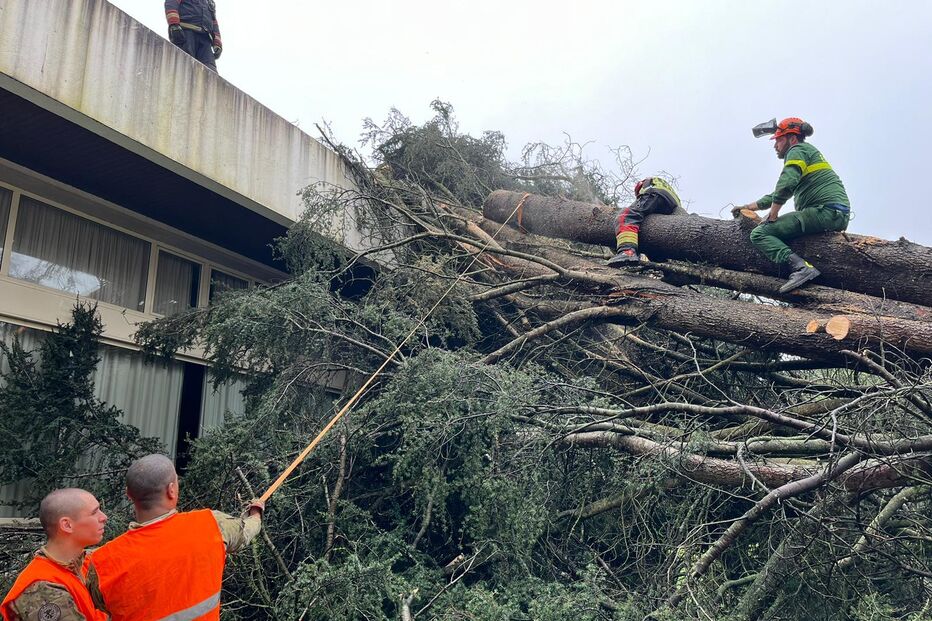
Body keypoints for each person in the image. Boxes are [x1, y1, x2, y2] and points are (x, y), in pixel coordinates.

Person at [87, 454, 263, 621]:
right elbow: (246, 531)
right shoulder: (212, 524)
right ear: (171, 490)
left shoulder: (101, 562)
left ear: (129, 494)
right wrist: (255, 513)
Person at [734, 117, 851, 293]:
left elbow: (786, 183)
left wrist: (773, 214)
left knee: (759, 233)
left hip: (825, 212)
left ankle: (802, 268)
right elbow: (779, 192)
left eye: (779, 140)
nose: (775, 146)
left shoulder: (797, 150)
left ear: (792, 138)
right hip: (833, 213)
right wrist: (749, 207)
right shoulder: (807, 152)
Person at [1, 488, 108, 621]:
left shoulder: (83, 564)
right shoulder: (41, 587)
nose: (104, 517)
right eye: (94, 512)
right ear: (67, 525)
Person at [607, 177, 682, 266]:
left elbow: (640, 188)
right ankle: (664, 266)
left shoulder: (647, 184)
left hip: (656, 193)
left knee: (627, 216)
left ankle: (627, 251)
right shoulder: (667, 188)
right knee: (651, 236)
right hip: (673, 206)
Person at [165, 0, 222, 72]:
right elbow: (171, 3)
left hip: (205, 40)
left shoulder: (209, 2)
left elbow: (214, 22)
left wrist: (217, 43)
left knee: (210, 71)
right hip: (186, 34)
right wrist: (174, 24)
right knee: (185, 65)